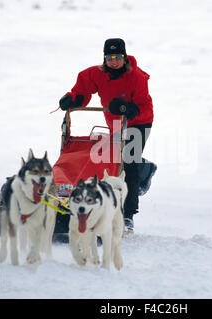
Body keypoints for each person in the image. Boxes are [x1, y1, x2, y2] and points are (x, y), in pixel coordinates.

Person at [58, 38, 154, 234]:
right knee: (108, 162)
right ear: (104, 58)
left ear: (124, 57)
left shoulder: (137, 77)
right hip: (117, 122)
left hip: (138, 122)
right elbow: (82, 92)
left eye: (118, 57)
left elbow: (144, 107)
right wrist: (72, 99)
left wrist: (128, 108)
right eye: (109, 57)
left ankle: (128, 215)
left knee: (129, 162)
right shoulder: (95, 74)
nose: (114, 61)